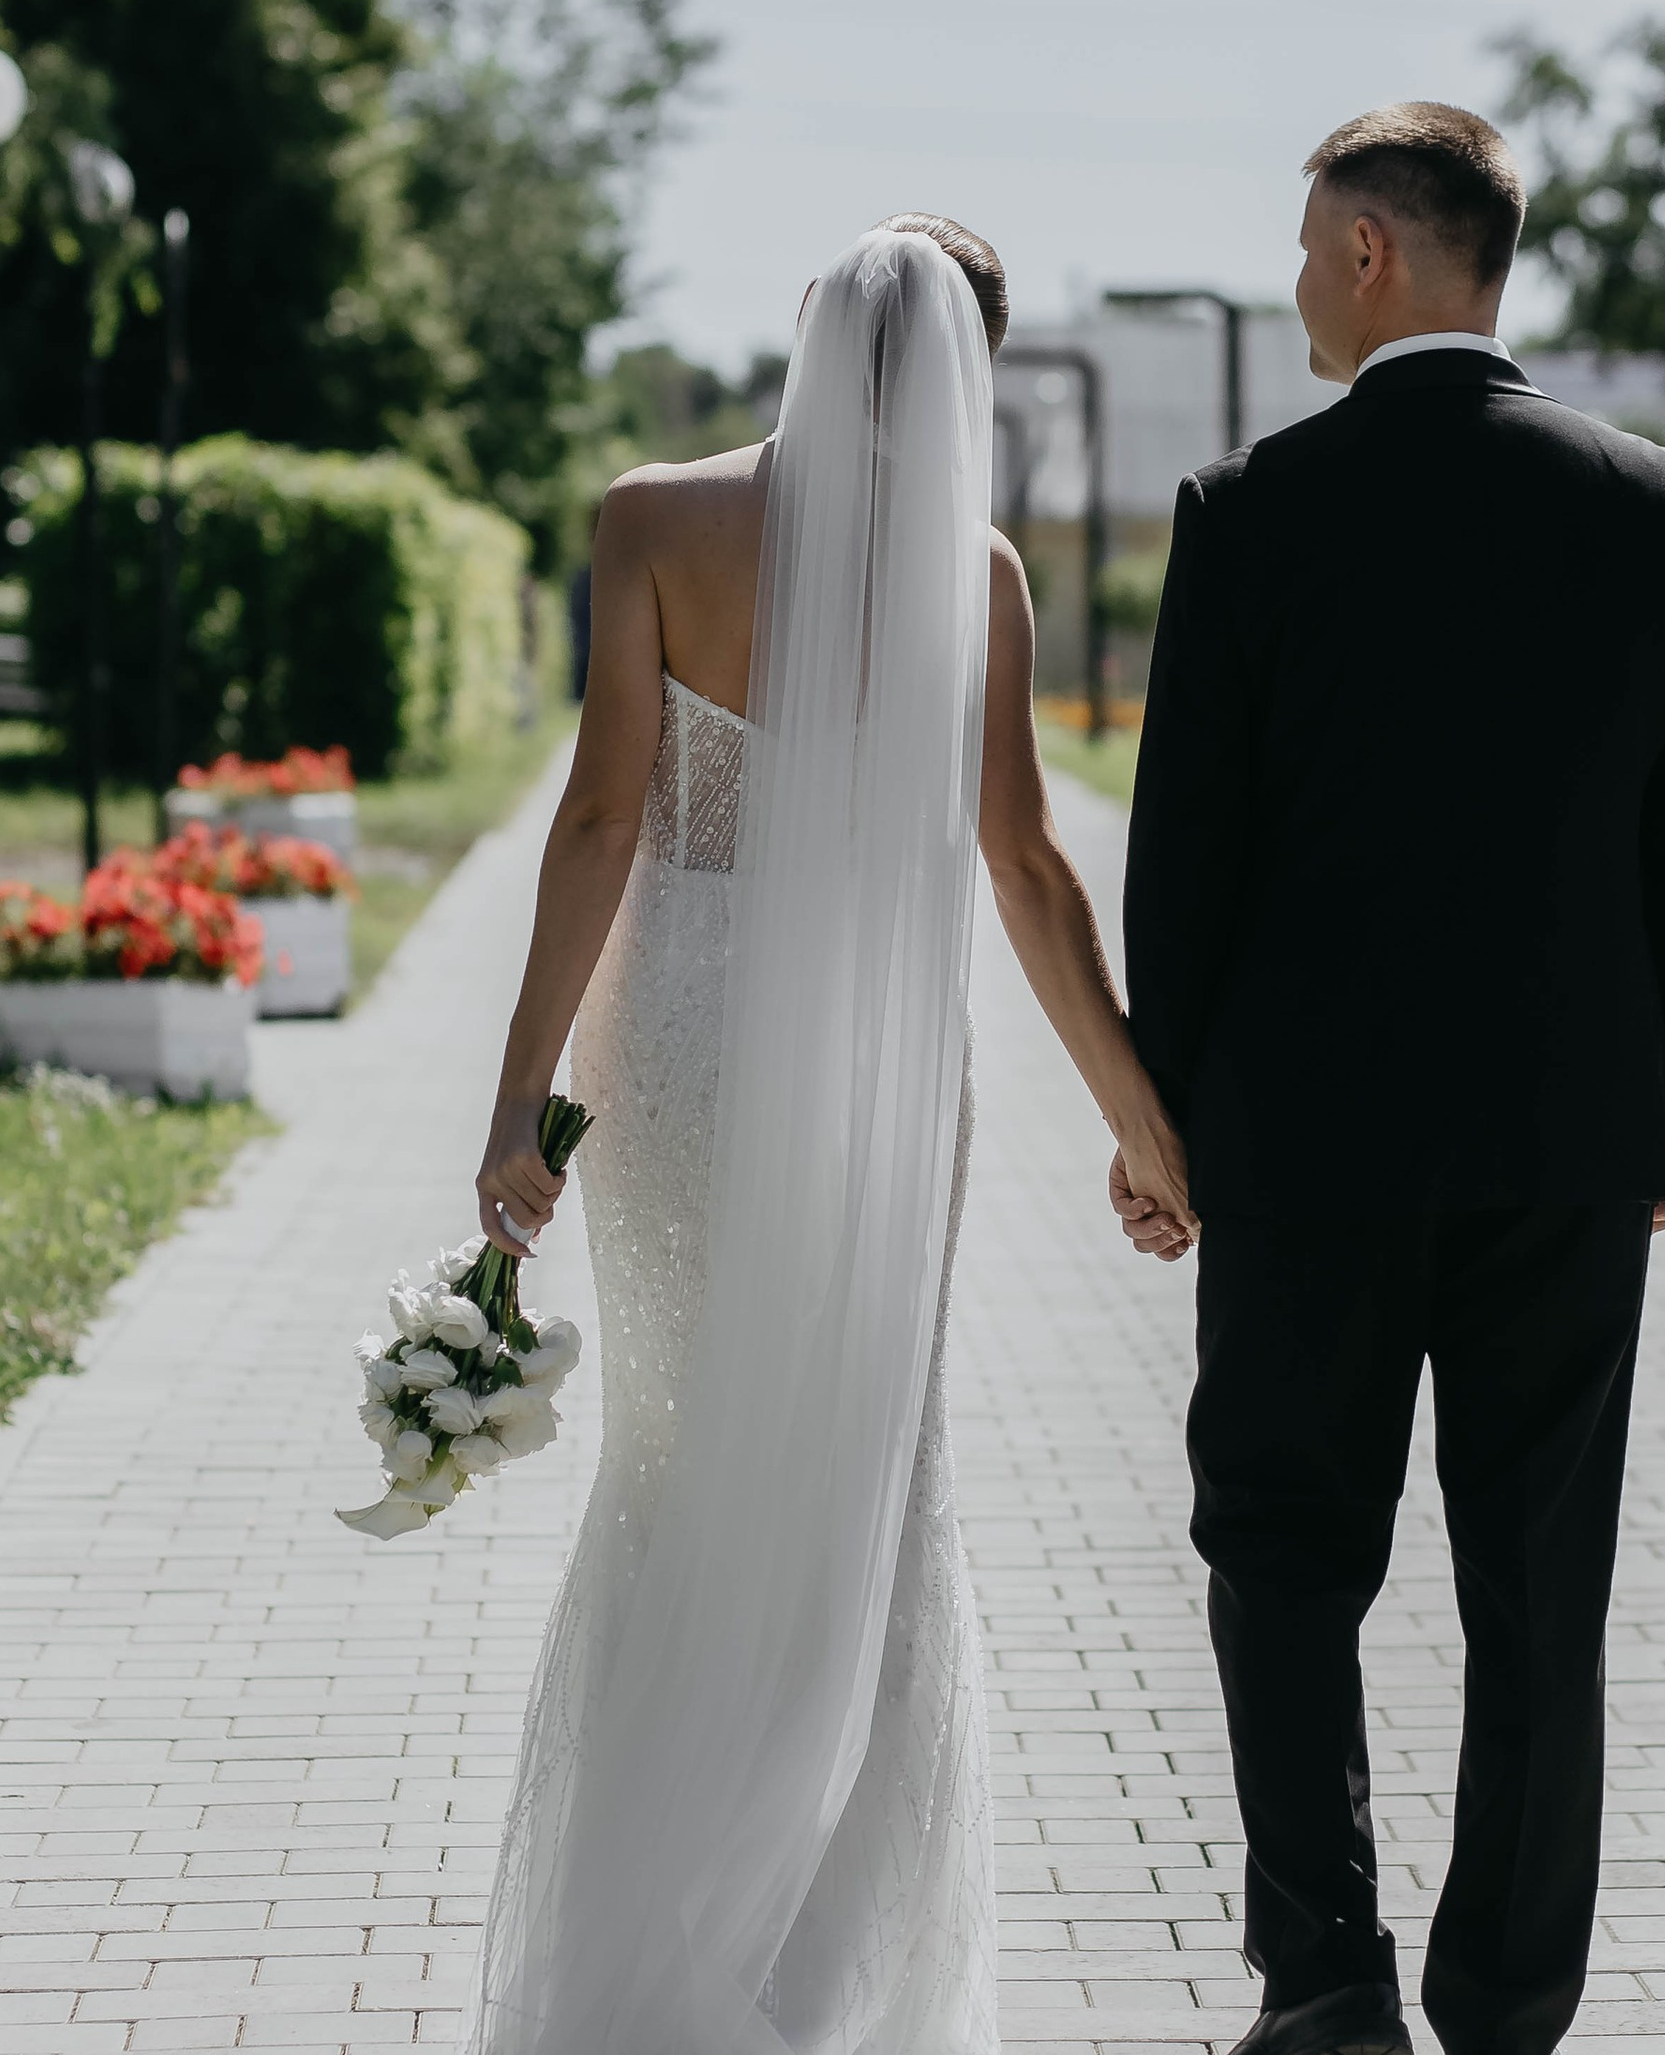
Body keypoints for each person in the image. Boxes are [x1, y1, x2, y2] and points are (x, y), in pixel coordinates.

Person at [466, 214, 1195, 2055]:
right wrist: (1141, 1122)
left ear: (802, 330)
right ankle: (828, 1969)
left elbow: (597, 825)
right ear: (977, 374)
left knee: (682, 1458)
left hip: (687, 1042)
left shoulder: (654, 519)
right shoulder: (985, 577)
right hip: (887, 1062)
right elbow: (1025, 868)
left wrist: (516, 1107)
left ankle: (648, 1944)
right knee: (876, 1461)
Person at [1121, 103, 1665, 2055]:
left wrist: (1163, 1123)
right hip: (1567, 1140)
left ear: (1376, 253)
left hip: (1299, 1149)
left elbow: (1182, 861)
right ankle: (1502, 2006)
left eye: (1311, 242)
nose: (1297, 275)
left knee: (1283, 1557)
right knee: (1534, 1584)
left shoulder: (1249, 509)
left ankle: (1321, 1980)